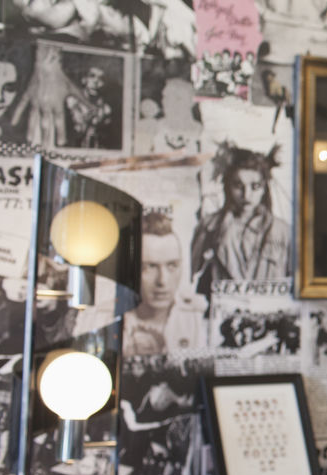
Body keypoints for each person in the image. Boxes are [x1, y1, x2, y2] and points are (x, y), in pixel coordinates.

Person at [191, 143, 290, 290]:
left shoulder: (283, 232)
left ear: (264, 188)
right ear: (228, 187)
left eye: (255, 186)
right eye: (238, 186)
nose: (246, 195)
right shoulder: (209, 227)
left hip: (268, 310)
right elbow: (190, 278)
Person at [122, 211, 206, 357]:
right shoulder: (110, 320)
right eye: (150, 267)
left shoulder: (198, 319)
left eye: (172, 265)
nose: (162, 281)